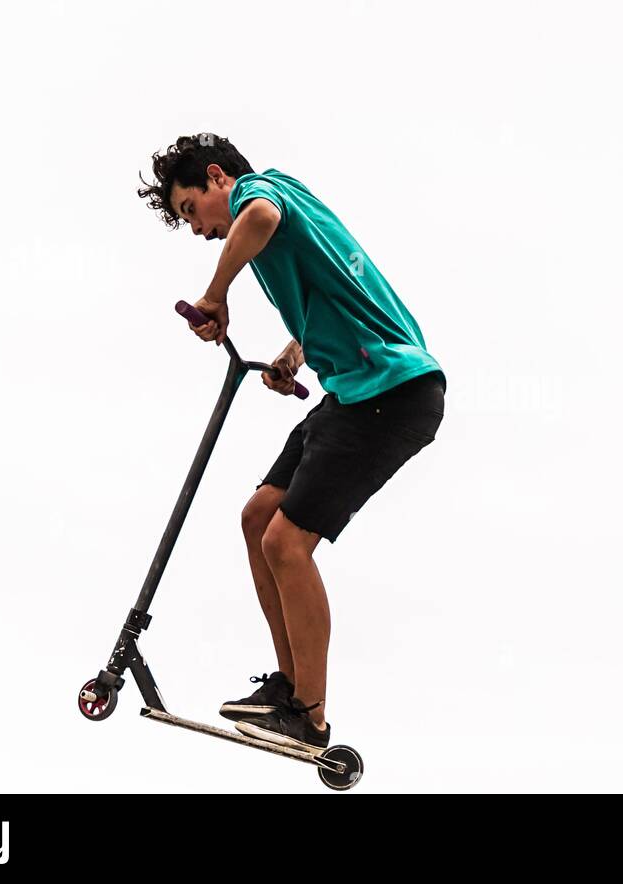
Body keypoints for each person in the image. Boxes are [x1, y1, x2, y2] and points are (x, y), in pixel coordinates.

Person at [137, 133, 446, 755]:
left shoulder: (261, 193)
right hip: (355, 391)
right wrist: (294, 353)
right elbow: (336, 293)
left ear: (218, 177)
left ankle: (311, 714)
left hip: (391, 393)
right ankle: (287, 689)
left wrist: (216, 293)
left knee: (287, 540)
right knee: (257, 518)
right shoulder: (289, 214)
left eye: (192, 210)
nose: (199, 231)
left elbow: (258, 216)